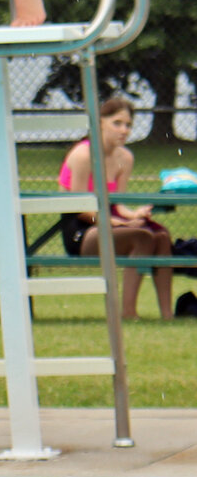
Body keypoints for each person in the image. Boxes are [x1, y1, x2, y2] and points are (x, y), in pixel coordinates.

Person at [60, 96, 173, 322]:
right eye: (117, 123)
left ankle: (167, 315)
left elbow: (118, 204)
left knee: (161, 236)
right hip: (82, 228)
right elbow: (78, 208)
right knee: (141, 237)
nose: (124, 130)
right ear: (100, 122)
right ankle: (128, 312)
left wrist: (135, 215)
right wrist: (117, 223)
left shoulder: (125, 157)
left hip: (111, 223)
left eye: (128, 125)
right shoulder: (83, 155)